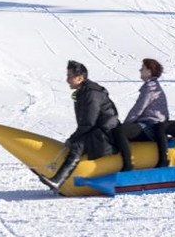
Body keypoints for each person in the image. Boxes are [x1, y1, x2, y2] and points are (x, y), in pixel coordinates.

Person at [42, 60, 121, 192]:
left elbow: (89, 122)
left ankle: (58, 180)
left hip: (106, 133)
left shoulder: (91, 94)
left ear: (79, 78)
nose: (67, 80)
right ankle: (57, 179)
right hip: (98, 129)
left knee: (77, 145)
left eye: (69, 76)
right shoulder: (85, 92)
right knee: (77, 142)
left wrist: (72, 139)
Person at [113, 59, 168, 171]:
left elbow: (138, 109)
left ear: (149, 71)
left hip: (150, 126)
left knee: (120, 131)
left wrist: (125, 124)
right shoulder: (152, 86)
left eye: (142, 68)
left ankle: (128, 164)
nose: (140, 70)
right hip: (150, 124)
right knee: (122, 130)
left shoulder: (150, 87)